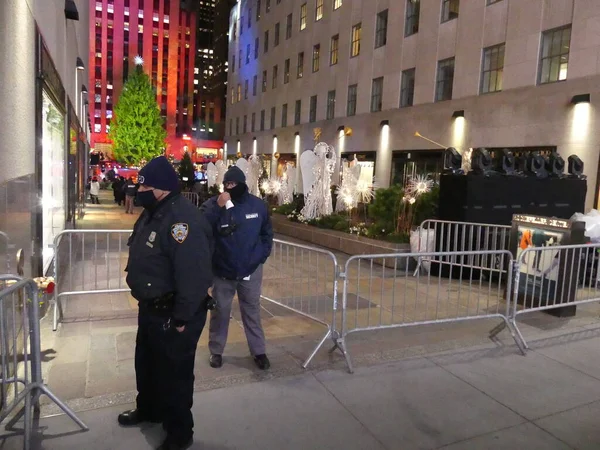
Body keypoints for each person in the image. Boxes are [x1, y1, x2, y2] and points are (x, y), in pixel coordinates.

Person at [118, 156, 214, 450]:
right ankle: (149, 410)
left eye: (143, 184)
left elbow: (194, 275)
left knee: (174, 375)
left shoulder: (183, 221)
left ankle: (179, 433)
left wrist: (183, 318)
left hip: (174, 312)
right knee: (146, 364)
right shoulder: (153, 212)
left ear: (159, 188)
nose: (138, 189)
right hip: (150, 308)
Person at [200, 166, 273, 370]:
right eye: (226, 184)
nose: (229, 187)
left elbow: (267, 234)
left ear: (242, 184)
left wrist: (261, 256)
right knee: (220, 312)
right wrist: (218, 207)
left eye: (233, 184)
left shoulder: (257, 206)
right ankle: (216, 351)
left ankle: (259, 351)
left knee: (252, 311)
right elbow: (202, 226)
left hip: (250, 270)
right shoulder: (214, 204)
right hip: (223, 272)